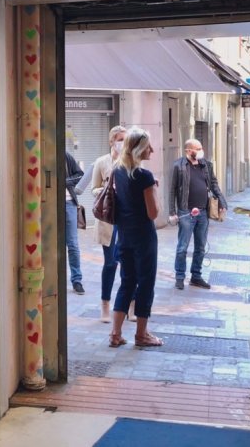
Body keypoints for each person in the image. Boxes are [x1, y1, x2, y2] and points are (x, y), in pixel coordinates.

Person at [109, 127, 163, 348]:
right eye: (148, 145)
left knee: (126, 282)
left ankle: (115, 334)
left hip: (124, 236)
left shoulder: (117, 171)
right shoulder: (144, 177)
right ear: (139, 148)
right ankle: (142, 334)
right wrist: (154, 189)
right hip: (143, 237)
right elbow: (153, 213)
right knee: (146, 283)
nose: (152, 149)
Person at [168, 139, 227, 290]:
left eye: (201, 147)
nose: (201, 151)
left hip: (202, 211)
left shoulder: (206, 165)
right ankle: (180, 276)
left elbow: (213, 184)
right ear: (188, 151)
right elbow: (172, 190)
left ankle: (196, 276)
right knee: (182, 247)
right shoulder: (178, 166)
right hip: (185, 211)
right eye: (197, 148)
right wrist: (172, 212)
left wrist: (222, 200)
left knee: (200, 247)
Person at [90, 125, 128, 323]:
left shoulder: (131, 161)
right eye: (120, 139)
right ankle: (105, 304)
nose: (123, 142)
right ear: (112, 141)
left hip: (128, 219)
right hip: (108, 219)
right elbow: (93, 189)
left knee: (129, 264)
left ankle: (130, 303)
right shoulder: (101, 162)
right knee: (111, 263)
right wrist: (106, 190)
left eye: (125, 139)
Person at [65, 151, 85, 294]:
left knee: (72, 243)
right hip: (47, 203)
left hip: (68, 203)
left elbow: (80, 174)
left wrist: (65, 182)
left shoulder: (65, 155)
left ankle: (76, 280)